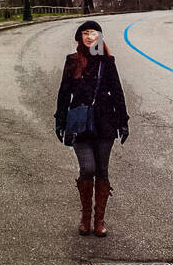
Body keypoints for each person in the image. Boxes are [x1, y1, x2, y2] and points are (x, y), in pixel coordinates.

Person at [54, 19, 129, 236]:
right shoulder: (72, 61)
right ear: (80, 37)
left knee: (102, 170)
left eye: (93, 33)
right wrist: (60, 121)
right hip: (79, 124)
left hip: (105, 124)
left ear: (99, 37)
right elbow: (63, 93)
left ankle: (99, 221)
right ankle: (85, 216)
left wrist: (123, 122)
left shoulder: (107, 62)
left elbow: (117, 92)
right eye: (85, 33)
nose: (89, 37)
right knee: (88, 168)